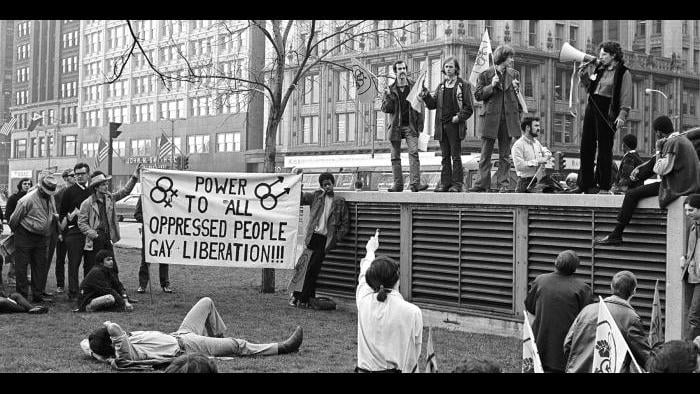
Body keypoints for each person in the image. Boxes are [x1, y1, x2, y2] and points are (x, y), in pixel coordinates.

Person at [80, 297, 303, 369]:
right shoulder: (123, 357)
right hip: (187, 347)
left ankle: (217, 341)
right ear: (111, 343)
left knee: (206, 302)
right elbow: (117, 333)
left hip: (181, 334)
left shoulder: (108, 350)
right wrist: (108, 325)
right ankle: (283, 347)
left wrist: (97, 352)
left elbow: (84, 344)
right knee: (238, 345)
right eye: (111, 335)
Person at [595, 116, 700, 245]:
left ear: (658, 132)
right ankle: (616, 233)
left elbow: (660, 169)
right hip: (688, 185)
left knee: (631, 194)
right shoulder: (684, 140)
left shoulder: (672, 143)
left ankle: (617, 233)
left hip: (675, 186)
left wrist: (658, 150)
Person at [355, 230, 422, 373]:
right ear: (397, 279)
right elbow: (413, 355)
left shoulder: (363, 301)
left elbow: (363, 274)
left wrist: (370, 250)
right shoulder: (412, 312)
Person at [571, 41, 633, 195]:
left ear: (613, 55)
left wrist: (622, 116)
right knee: (586, 145)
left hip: (607, 110)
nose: (601, 57)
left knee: (604, 149)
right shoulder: (599, 69)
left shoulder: (623, 72)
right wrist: (583, 76)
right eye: (601, 54)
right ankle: (585, 183)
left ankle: (604, 185)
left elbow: (626, 97)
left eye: (604, 54)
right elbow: (589, 89)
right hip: (592, 106)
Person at [563, 270, 652, 373]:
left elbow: (567, 345)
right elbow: (646, 359)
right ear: (634, 292)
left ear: (611, 287)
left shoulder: (587, 310)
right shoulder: (631, 319)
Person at [77, 166, 141, 302]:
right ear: (96, 187)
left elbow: (124, 192)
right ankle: (90, 296)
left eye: (106, 184)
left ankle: (122, 296)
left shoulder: (109, 198)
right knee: (92, 269)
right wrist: (94, 234)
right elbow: (81, 223)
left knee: (113, 268)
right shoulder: (86, 204)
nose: (106, 186)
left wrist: (134, 177)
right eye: (103, 184)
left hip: (106, 238)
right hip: (94, 240)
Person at [524, 250, 593, 372]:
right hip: (567, 350)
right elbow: (587, 320)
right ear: (575, 268)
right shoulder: (583, 289)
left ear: (556, 263)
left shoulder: (540, 281)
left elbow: (530, 307)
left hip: (541, 344)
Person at [288, 170, 349, 308]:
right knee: (304, 269)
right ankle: (303, 298)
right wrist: (298, 180)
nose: (327, 186)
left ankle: (302, 298)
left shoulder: (339, 201)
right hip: (312, 237)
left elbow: (345, 224)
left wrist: (335, 239)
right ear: (321, 186)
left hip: (324, 240)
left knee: (312, 269)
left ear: (333, 184)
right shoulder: (316, 196)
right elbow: (300, 198)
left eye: (329, 184)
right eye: (324, 184)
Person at [470, 45, 523, 193]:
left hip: (507, 120)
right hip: (490, 119)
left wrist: (517, 90)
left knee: (505, 155)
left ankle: (503, 185)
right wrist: (491, 86)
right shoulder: (486, 75)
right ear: (502, 58)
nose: (512, 60)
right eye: (509, 57)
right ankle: (481, 184)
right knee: (485, 154)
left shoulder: (515, 74)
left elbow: (517, 98)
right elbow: (478, 95)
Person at [421, 56, 474, 192]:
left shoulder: (464, 85)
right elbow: (433, 105)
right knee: (445, 156)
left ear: (456, 68)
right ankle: (445, 183)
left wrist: (459, 118)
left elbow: (469, 108)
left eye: (451, 66)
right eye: (446, 67)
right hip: (441, 126)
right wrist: (426, 95)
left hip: (455, 126)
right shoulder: (441, 86)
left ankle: (457, 184)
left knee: (455, 156)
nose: (448, 69)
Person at [8, 175, 58, 303]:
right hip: (24, 235)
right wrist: (19, 233)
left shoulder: (50, 197)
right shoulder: (27, 200)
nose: (48, 194)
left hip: (42, 237)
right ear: (41, 188)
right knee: (21, 266)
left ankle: (38, 294)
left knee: (40, 266)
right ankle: (22, 295)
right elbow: (13, 220)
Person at [381, 60, 428, 193]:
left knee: (413, 153)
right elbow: (386, 109)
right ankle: (398, 185)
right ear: (395, 72)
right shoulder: (390, 89)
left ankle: (415, 184)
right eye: (399, 69)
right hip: (395, 126)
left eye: (403, 69)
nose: (402, 71)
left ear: (406, 71)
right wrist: (388, 96)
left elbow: (421, 108)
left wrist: (420, 127)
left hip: (410, 126)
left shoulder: (415, 86)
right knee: (395, 156)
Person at [60, 163, 93, 300]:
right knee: (74, 264)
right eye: (76, 174)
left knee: (90, 264)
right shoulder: (68, 191)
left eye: (82, 174)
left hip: (90, 232)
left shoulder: (93, 190)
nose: (79, 176)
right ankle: (73, 293)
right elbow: (62, 214)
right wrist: (72, 214)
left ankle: (88, 291)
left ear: (88, 174)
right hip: (74, 233)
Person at [135, 197, 171, 293]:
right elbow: (137, 214)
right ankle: (142, 285)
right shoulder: (144, 194)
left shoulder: (167, 195)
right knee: (146, 258)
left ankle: (165, 285)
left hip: (164, 231)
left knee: (164, 258)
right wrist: (149, 219)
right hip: (149, 232)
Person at [3, 178, 32, 285]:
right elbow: (8, 215)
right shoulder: (13, 198)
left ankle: (27, 276)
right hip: (18, 230)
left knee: (29, 255)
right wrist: (14, 229)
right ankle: (11, 277)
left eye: (29, 184)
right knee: (15, 255)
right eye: (25, 183)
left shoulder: (32, 197)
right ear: (20, 185)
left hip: (30, 231)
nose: (27, 185)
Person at [511, 116, 552, 193]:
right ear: (528, 127)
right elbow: (519, 166)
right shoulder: (518, 145)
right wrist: (537, 162)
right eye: (536, 126)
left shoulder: (536, 143)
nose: (539, 129)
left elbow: (546, 151)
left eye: (539, 126)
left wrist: (546, 156)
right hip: (525, 183)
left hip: (538, 182)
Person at [52, 168, 76, 294]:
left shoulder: (78, 191)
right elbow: (56, 214)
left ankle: (74, 285)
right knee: (61, 259)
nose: (75, 177)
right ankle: (60, 284)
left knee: (74, 259)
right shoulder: (59, 194)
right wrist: (59, 233)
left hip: (76, 230)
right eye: (72, 175)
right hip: (63, 230)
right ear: (66, 178)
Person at [681, 194, 700, 340]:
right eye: (686, 210)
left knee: (693, 317)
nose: (687, 214)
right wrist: (685, 259)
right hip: (694, 276)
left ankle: (688, 352)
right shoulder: (694, 227)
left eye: (691, 210)